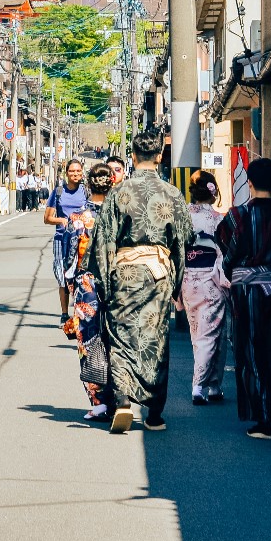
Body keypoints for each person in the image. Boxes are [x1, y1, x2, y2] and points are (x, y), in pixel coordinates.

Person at [87, 128, 189, 434]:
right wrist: (177, 284)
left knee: (121, 337)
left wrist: (104, 284)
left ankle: (122, 401)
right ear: (159, 156)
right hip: (158, 275)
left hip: (124, 273)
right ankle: (154, 414)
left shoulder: (118, 193)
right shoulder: (171, 193)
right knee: (155, 340)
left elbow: (103, 240)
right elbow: (183, 241)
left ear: (132, 156)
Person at [216, 157, 271, 438]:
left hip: (248, 291)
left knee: (252, 350)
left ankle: (263, 419)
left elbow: (226, 249)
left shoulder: (236, 216)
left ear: (249, 183)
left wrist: (237, 271)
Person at [67, 162, 116, 422]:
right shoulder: (119, 216)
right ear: (112, 184)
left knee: (89, 342)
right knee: (117, 340)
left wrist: (66, 301)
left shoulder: (78, 219)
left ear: (88, 184)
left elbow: (69, 263)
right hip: (118, 283)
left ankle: (98, 403)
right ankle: (122, 397)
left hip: (86, 285)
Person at [182, 171, 230, 405]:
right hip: (211, 280)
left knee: (198, 334)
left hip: (189, 280)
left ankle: (213, 385)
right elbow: (225, 252)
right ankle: (199, 385)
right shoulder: (219, 219)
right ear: (212, 191)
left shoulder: (182, 217)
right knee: (212, 334)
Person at [43, 159, 90, 323]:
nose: (75, 174)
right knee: (62, 275)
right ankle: (64, 314)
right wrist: (61, 221)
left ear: (82, 172)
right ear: (66, 172)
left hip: (81, 239)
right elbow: (47, 218)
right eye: (72, 171)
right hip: (61, 239)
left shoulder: (87, 191)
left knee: (80, 275)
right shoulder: (58, 192)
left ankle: (79, 313)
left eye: (78, 171)